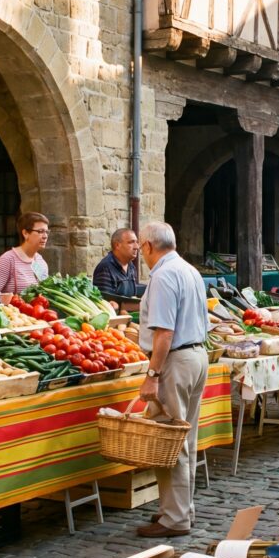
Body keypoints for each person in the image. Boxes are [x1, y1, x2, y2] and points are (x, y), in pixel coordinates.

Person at [135, 222, 209, 538]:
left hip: (176, 361)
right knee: (184, 440)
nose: (141, 253)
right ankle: (178, 508)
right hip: (196, 356)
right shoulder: (188, 269)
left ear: (150, 246)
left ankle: (175, 518)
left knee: (169, 440)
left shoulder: (164, 276)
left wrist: (152, 375)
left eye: (141, 248)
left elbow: (164, 333)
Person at [0, 212, 51, 297]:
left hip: (38, 310)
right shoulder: (8, 259)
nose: (45, 236)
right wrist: (9, 301)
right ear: (25, 233)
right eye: (40, 231)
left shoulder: (41, 261)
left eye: (47, 232)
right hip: (14, 310)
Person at [92, 228, 142, 301]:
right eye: (131, 242)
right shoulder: (105, 268)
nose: (136, 247)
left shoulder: (131, 267)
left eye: (136, 242)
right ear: (117, 245)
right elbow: (105, 302)